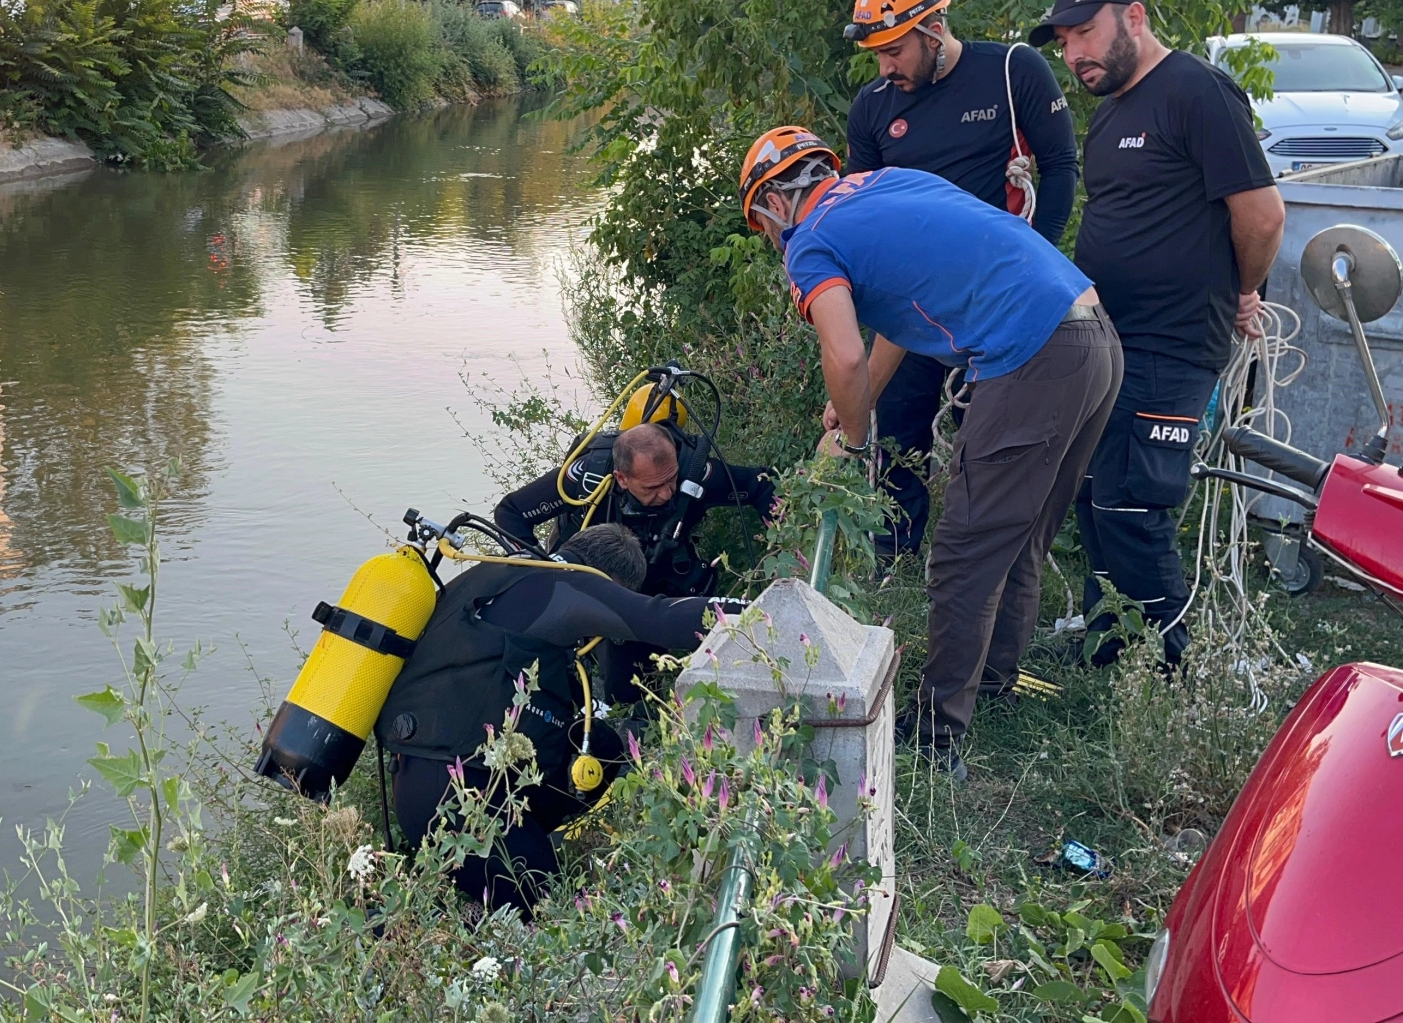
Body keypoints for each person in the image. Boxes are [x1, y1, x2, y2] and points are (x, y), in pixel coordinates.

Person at [738, 127, 1122, 778]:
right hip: (1093, 338)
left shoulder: (810, 242)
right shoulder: (883, 187)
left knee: (963, 551)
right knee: (1020, 532)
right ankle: (993, 680)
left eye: (760, 221)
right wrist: (856, 404)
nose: (769, 235)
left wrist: (854, 448)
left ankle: (937, 734)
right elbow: (891, 324)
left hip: (1031, 352)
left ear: (775, 198)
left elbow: (846, 349)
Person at [1028, 0, 1285, 669]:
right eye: (1064, 42)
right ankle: (1109, 656)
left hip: (1172, 344)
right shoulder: (1112, 111)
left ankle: (1173, 677)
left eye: (1084, 33)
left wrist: (1245, 290)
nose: (1073, 52)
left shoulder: (1197, 93)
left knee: (1135, 511)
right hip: (1109, 342)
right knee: (1093, 498)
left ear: (1134, 17)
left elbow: (1261, 215)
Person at [841, 0, 1078, 561]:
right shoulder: (873, 106)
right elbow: (858, 211)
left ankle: (984, 562)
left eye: (893, 50)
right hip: (913, 311)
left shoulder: (1010, 71)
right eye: (876, 54)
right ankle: (894, 566)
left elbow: (1061, 167)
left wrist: (1036, 257)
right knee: (899, 439)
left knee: (995, 446)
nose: (885, 66)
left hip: (998, 307)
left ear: (932, 27)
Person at [378, 523, 741, 915]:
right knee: (550, 910)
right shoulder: (570, 585)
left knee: (602, 746)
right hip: (461, 803)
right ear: (610, 579)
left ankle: (519, 854)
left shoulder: (497, 573)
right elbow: (659, 617)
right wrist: (763, 610)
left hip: (418, 780)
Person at [495, 423, 772, 704]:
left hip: (661, 571)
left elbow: (758, 483)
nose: (667, 493)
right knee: (624, 690)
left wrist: (782, 537)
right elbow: (511, 511)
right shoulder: (586, 479)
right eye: (653, 486)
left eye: (671, 480)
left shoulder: (693, 472)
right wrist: (539, 572)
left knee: (656, 645)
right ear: (622, 478)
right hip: (598, 582)